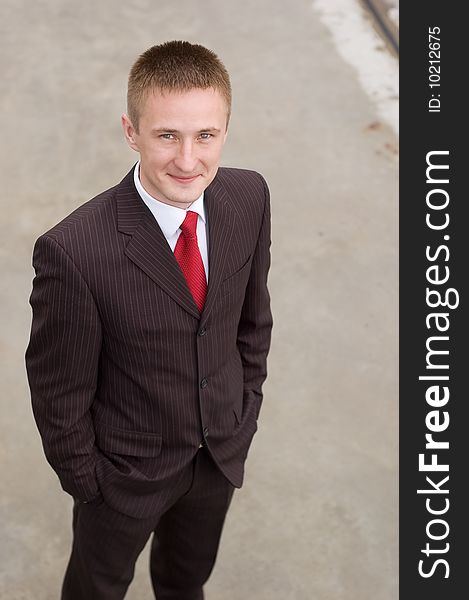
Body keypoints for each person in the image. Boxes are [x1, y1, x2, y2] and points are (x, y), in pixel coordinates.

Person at [25, 40, 272, 600]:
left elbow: (252, 322)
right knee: (97, 588)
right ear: (131, 131)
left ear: (225, 129)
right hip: (123, 476)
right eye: (167, 135)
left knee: (186, 582)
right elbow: (57, 388)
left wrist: (245, 412)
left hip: (217, 457)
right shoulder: (75, 251)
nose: (188, 160)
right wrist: (89, 483)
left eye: (205, 135)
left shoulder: (249, 197)